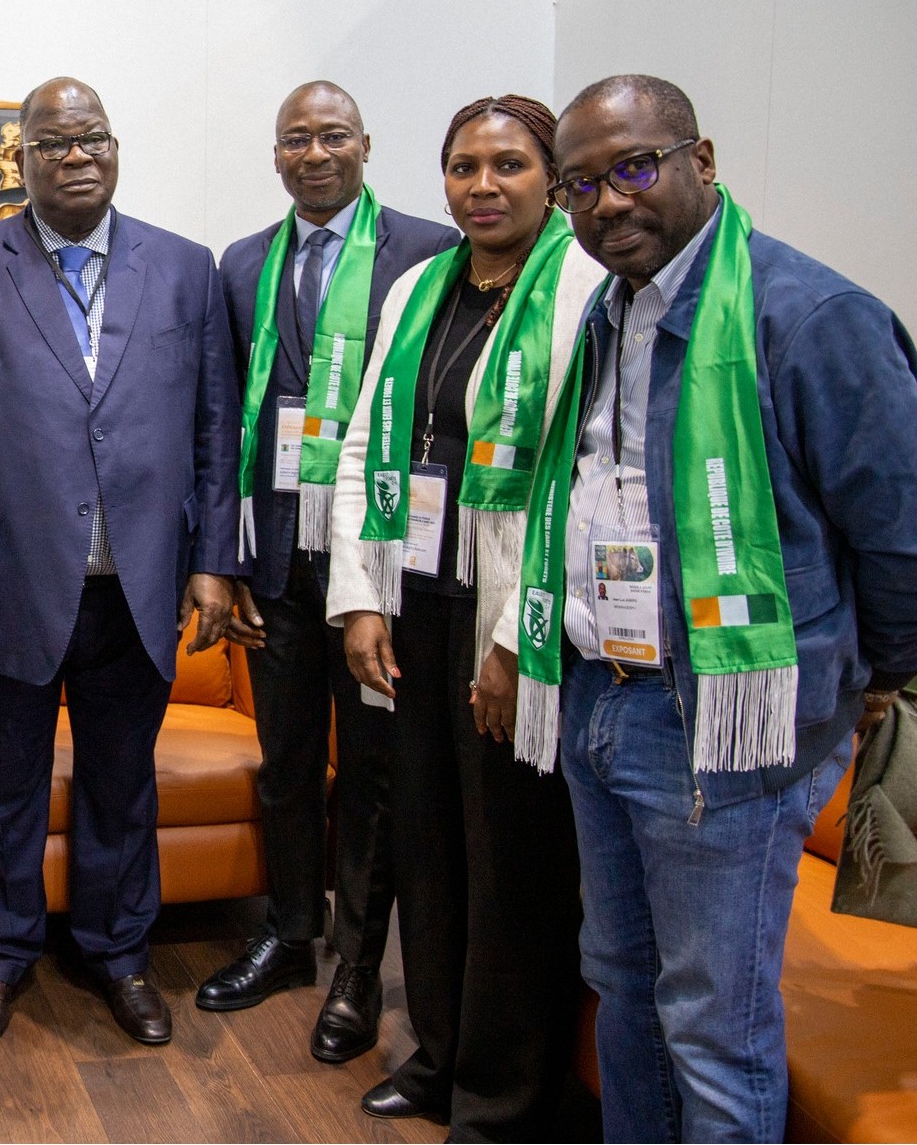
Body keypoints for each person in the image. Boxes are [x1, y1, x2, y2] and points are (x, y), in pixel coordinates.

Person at [512, 74, 917, 1141]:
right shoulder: (605, 312)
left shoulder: (809, 319)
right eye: (579, 184)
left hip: (722, 727)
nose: (605, 202)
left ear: (699, 161)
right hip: (598, 700)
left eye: (631, 167)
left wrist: (863, 678)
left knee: (713, 1024)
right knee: (620, 979)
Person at [0, 77, 238, 1050]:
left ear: (115, 147)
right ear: (21, 159)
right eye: (53, 143)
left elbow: (215, 429)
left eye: (91, 138)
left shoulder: (183, 268)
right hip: (1, 584)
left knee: (119, 784)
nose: (76, 155)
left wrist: (211, 561)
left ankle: (118, 953)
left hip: (136, 588)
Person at [326, 96, 601, 1133]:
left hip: (513, 622)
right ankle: (435, 1056)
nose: (480, 185)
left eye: (506, 165)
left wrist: (508, 645)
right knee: (428, 843)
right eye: (461, 166)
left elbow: (579, 476)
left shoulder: (581, 288)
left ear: (550, 176)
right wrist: (360, 599)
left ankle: (502, 1090)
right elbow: (363, 444)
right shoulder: (418, 287)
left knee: (511, 862)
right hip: (417, 603)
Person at [202, 81, 458, 1065]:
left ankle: (354, 963)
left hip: (378, 570)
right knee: (283, 762)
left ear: (364, 145)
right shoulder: (241, 264)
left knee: (371, 774)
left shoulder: (424, 249)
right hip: (272, 559)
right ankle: (286, 933)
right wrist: (219, 565)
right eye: (294, 139)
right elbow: (221, 415)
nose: (313, 153)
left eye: (331, 136)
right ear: (274, 155)